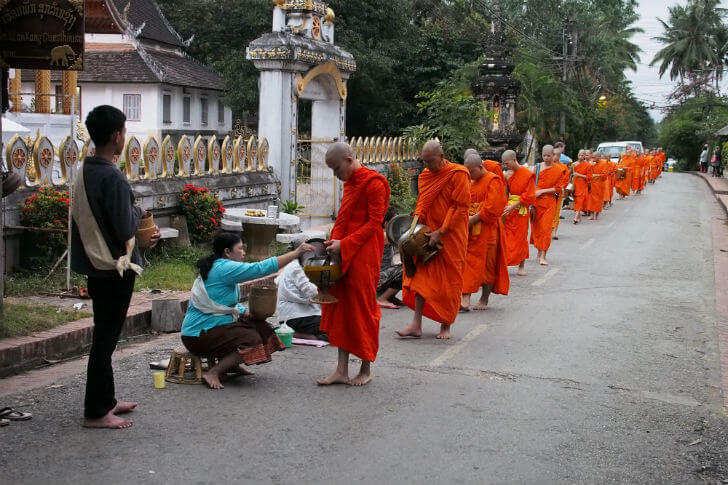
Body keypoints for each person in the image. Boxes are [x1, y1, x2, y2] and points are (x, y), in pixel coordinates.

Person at [71, 105, 161, 429]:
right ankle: (95, 412)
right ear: (116, 135)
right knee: (105, 341)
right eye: (123, 131)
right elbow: (125, 228)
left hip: (96, 266)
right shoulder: (112, 175)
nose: (125, 137)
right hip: (114, 269)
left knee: (105, 336)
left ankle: (106, 400)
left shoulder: (85, 170)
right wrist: (139, 212)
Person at [181, 233, 313, 389]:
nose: (243, 253)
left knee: (261, 327)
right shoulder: (223, 268)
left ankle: (231, 365)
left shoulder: (221, 267)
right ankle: (213, 372)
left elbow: (228, 304)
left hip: (212, 329)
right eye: (240, 248)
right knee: (251, 339)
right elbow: (259, 269)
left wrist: (245, 312)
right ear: (227, 252)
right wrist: (296, 253)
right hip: (198, 335)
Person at [319, 142, 390, 386]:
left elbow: (374, 224)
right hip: (343, 250)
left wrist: (345, 244)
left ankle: (365, 367)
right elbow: (343, 216)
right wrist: (333, 243)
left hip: (364, 252)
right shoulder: (351, 183)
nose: (335, 175)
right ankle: (341, 370)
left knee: (362, 307)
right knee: (341, 308)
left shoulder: (374, 183)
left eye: (336, 169)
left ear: (349, 160)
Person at [396, 140, 470, 340]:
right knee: (420, 279)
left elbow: (459, 207)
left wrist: (441, 231)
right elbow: (422, 204)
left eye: (431, 161)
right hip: (427, 235)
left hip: (451, 235)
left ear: (442, 156)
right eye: (425, 161)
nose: (427, 166)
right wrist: (412, 230)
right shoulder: (426, 176)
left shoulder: (458, 174)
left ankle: (445, 324)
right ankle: (416, 324)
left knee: (449, 282)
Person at [460, 153, 509, 311]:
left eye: (472, 172)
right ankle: (465, 299)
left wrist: (472, 220)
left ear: (480, 167)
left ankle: (484, 297)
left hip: (488, 230)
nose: (470, 175)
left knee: (488, 267)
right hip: (469, 232)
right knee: (468, 264)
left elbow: (493, 208)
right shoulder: (469, 181)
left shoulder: (493, 180)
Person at [274, 239, 326, 341]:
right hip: (295, 317)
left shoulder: (297, 265)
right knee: (334, 328)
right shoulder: (297, 267)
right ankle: (301, 335)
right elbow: (312, 291)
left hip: (300, 315)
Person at [502, 149, 535, 276]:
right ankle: (505, 262)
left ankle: (521, 266)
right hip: (509, 209)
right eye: (504, 164)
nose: (506, 166)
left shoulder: (527, 174)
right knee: (506, 238)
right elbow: (505, 192)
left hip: (521, 209)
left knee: (521, 238)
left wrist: (514, 205)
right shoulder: (508, 174)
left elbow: (530, 195)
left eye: (507, 163)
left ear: (514, 160)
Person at [529, 145, 564, 266]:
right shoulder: (537, 167)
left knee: (545, 229)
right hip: (536, 203)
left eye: (549, 156)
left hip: (549, 203)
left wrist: (542, 191)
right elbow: (530, 183)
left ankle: (544, 255)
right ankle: (539, 251)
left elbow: (559, 189)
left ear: (553, 155)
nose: (546, 158)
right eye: (544, 155)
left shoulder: (558, 170)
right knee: (537, 229)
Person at [377, 207, 404, 310]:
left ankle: (390, 297)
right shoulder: (382, 235)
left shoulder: (388, 235)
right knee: (404, 270)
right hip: (377, 278)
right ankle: (382, 299)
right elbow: (402, 238)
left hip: (383, 275)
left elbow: (403, 259)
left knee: (405, 268)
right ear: (387, 224)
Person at [550, 146, 570, 240]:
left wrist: (561, 188)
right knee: (549, 212)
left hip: (558, 192)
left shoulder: (563, 167)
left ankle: (554, 232)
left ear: (558, 157)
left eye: (554, 155)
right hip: (548, 192)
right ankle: (549, 229)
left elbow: (566, 180)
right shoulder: (548, 166)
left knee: (556, 212)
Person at [572, 149, 592, 224]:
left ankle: (576, 217)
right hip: (575, 185)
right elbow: (570, 174)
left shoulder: (588, 165)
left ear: (584, 156)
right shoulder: (574, 164)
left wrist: (579, 175)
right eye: (579, 155)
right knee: (577, 201)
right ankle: (579, 217)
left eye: (582, 155)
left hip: (583, 185)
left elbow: (589, 177)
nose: (581, 157)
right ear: (577, 155)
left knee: (580, 200)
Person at [587, 153, 609, 220]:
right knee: (591, 200)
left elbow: (605, 175)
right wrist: (590, 166)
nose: (593, 159)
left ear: (599, 157)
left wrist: (596, 175)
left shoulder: (604, 163)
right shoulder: (591, 163)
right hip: (592, 184)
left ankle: (597, 214)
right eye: (592, 157)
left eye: (594, 157)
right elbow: (588, 172)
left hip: (600, 184)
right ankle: (591, 214)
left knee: (598, 200)